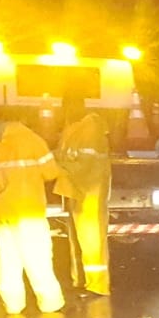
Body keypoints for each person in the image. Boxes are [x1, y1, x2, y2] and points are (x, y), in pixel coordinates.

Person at [0, 120, 65, 314]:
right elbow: (51, 172)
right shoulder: (32, 140)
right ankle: (50, 303)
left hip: (1, 211)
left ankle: (13, 304)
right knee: (38, 256)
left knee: (9, 258)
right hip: (29, 209)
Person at [55, 98, 112, 297]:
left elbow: (85, 163)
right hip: (76, 190)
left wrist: (57, 168)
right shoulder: (73, 129)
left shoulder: (91, 128)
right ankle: (80, 280)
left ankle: (97, 286)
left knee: (92, 240)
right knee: (78, 239)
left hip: (90, 192)